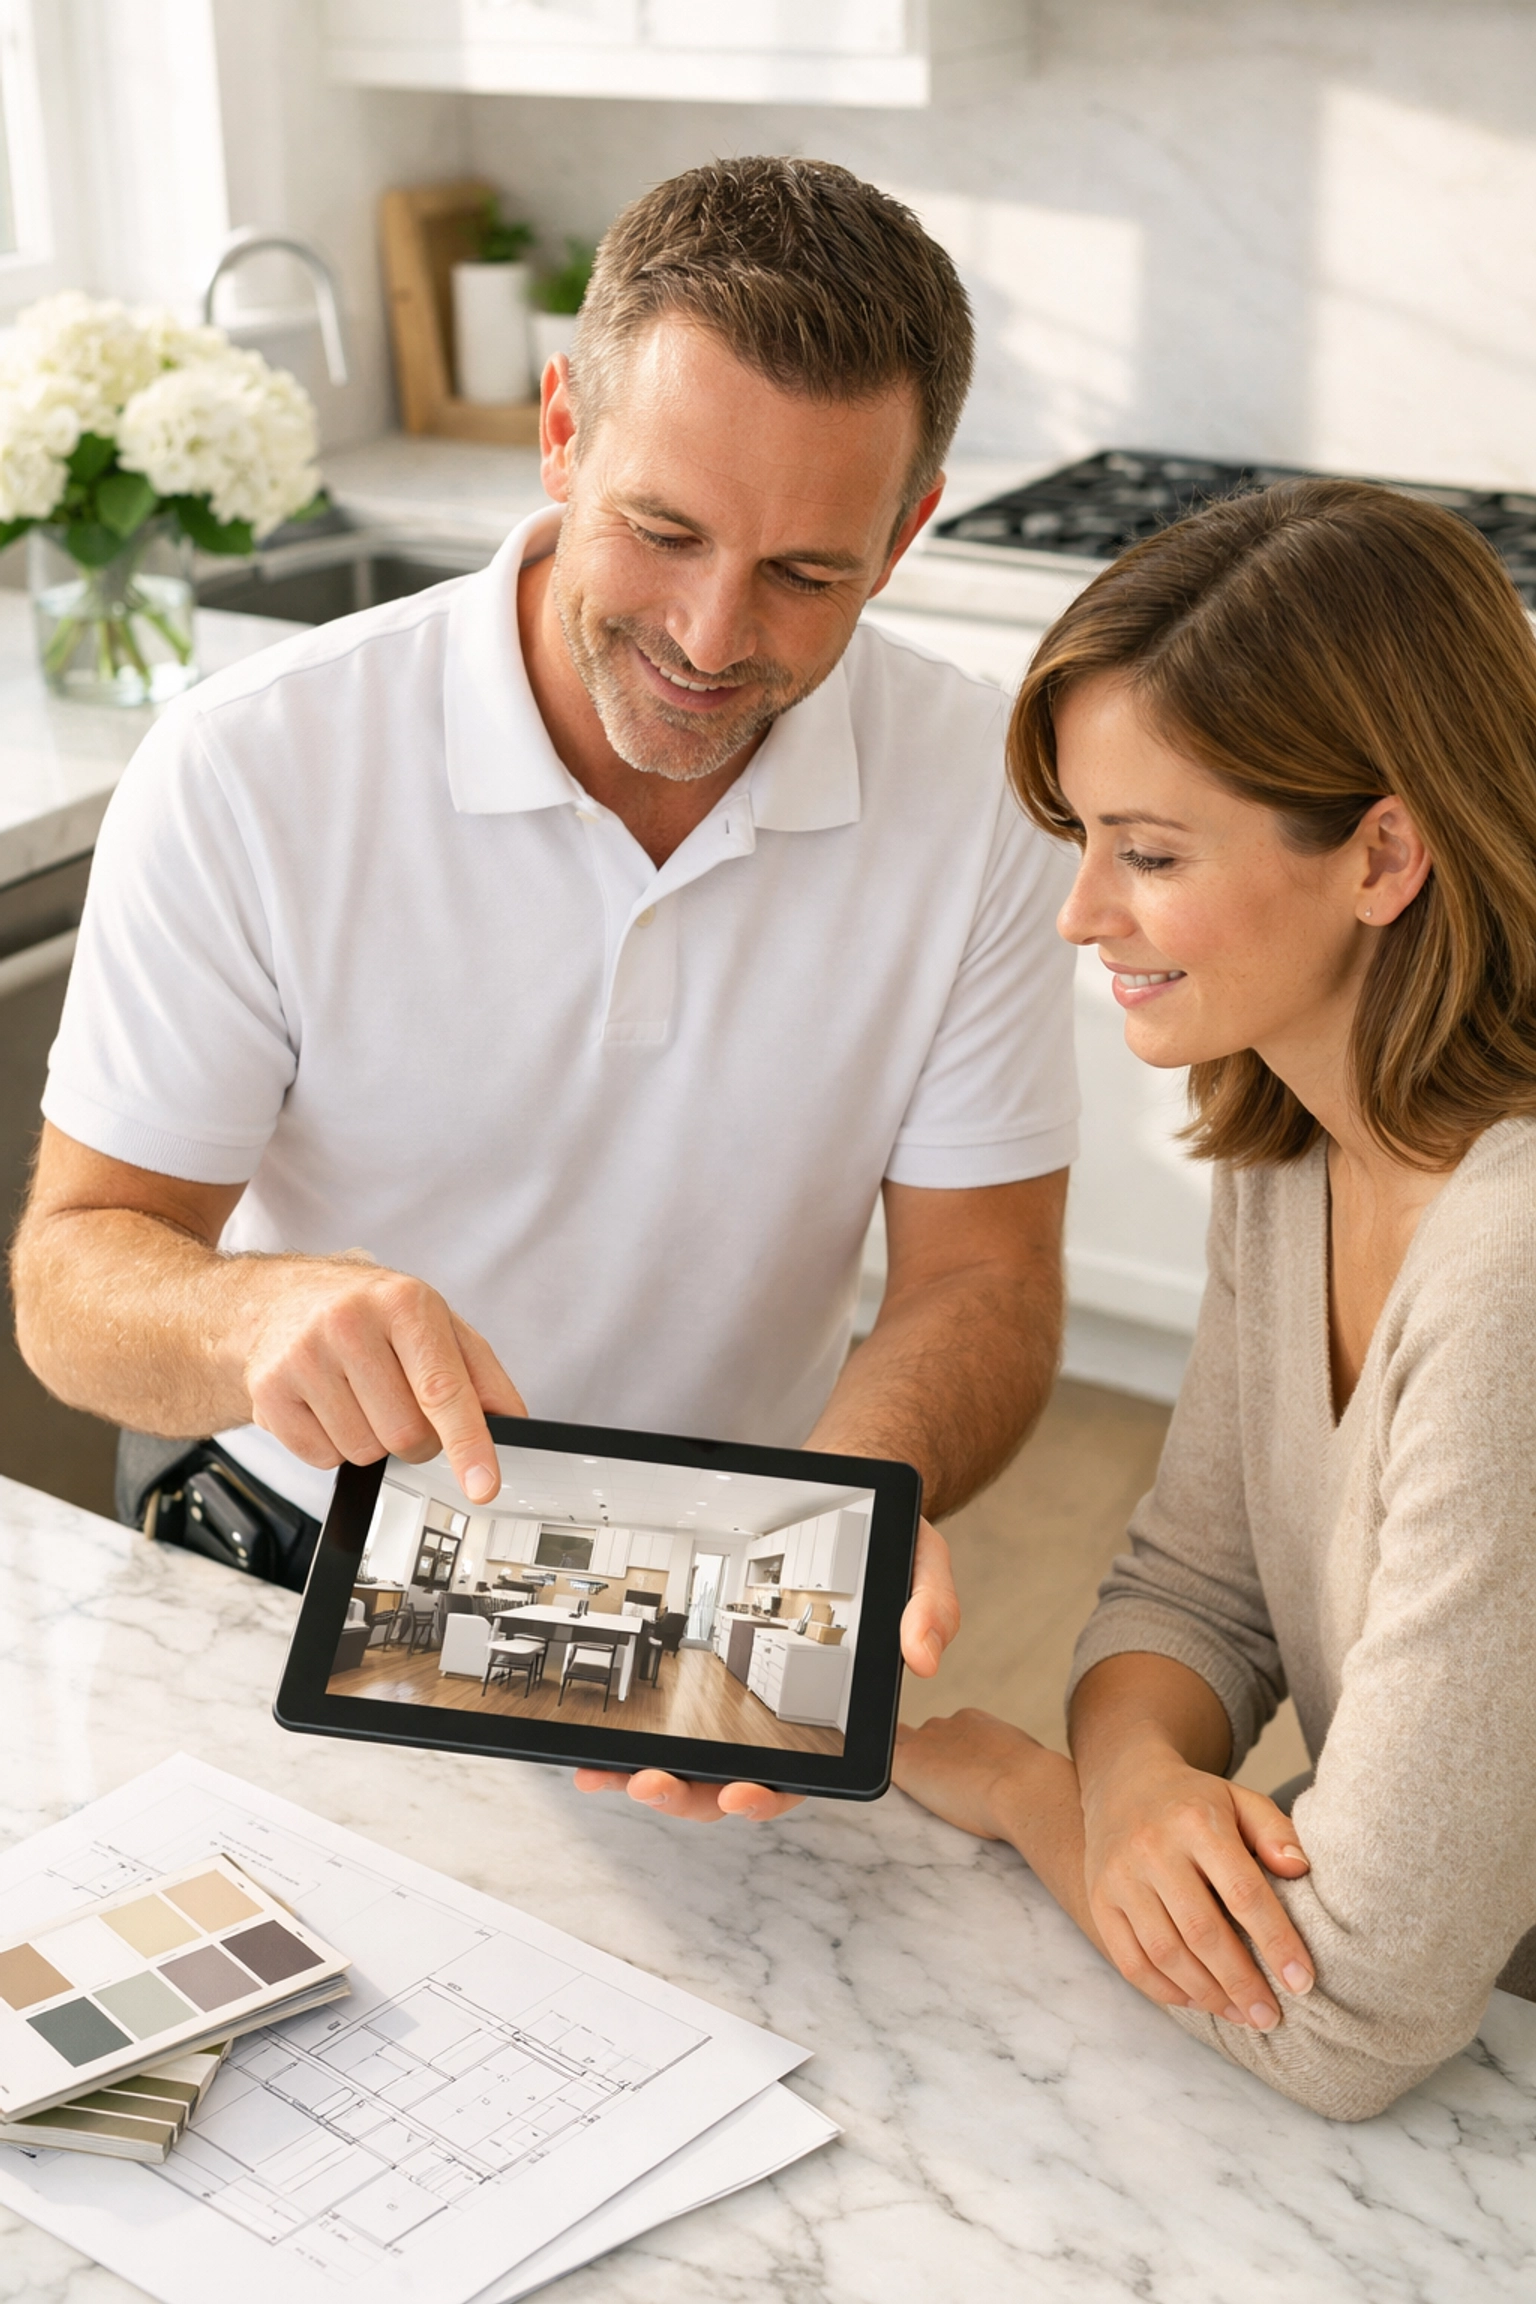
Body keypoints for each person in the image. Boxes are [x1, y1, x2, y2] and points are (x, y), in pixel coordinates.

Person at [10, 158, 1078, 1824]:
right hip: (289, 1573)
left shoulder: (983, 795)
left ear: (910, 526)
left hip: (724, 1601)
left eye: (808, 573)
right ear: (563, 427)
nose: (714, 637)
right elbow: (71, 1281)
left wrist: (838, 1525)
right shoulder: (250, 769)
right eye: (663, 532)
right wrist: (255, 1315)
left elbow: (987, 1278)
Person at [893, 476, 1536, 2119]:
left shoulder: (1514, 1265)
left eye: (1152, 855)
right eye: (1089, 842)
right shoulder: (1298, 1140)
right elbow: (1200, 1583)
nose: (1081, 914)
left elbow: (1355, 2018)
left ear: (1385, 852)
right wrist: (1141, 1778)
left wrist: (1037, 1794)